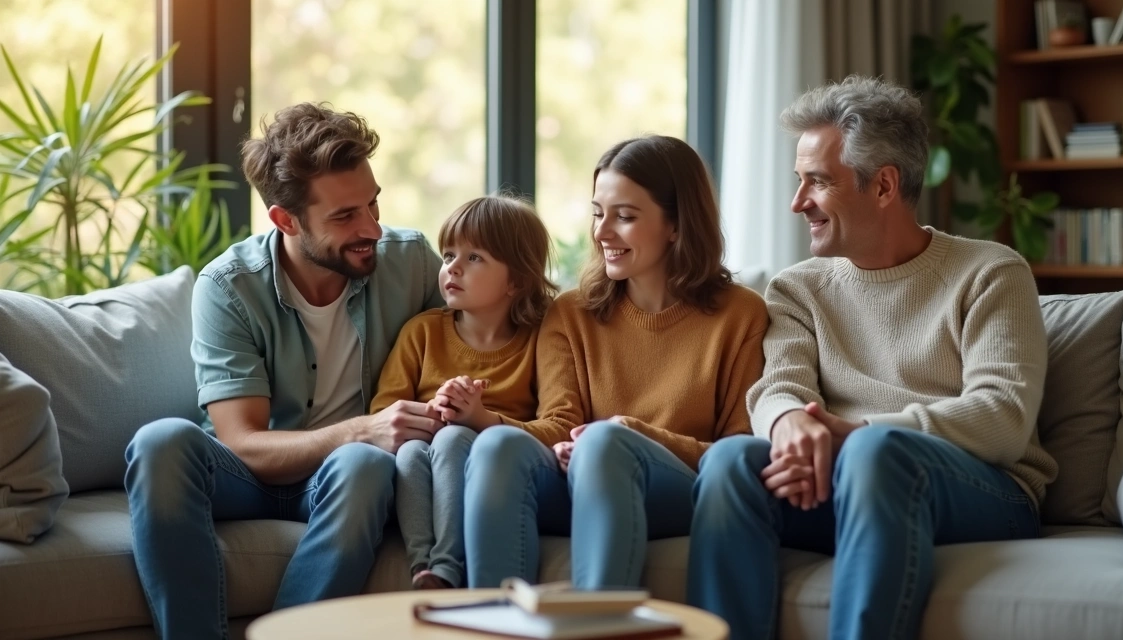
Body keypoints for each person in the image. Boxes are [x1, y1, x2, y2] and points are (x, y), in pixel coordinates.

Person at [686, 76, 1059, 640]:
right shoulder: (797, 289)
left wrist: (853, 432)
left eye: (817, 182)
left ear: (883, 186)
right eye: (798, 181)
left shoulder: (990, 273)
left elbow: (1003, 418)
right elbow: (777, 387)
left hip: (985, 491)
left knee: (877, 450)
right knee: (730, 462)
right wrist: (790, 424)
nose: (797, 203)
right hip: (843, 478)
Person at [124, 103, 447, 638]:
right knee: (160, 442)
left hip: (345, 479)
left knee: (365, 466)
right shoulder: (228, 286)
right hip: (247, 476)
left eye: (372, 203)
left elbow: (494, 334)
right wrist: (362, 429)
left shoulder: (410, 262)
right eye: (345, 216)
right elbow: (244, 443)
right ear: (285, 219)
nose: (371, 227)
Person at [451, 135, 769, 590]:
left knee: (604, 445)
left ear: (676, 224)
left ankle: (597, 623)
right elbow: (560, 423)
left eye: (625, 216)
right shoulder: (570, 312)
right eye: (598, 213)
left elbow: (738, 455)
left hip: (682, 489)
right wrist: (498, 424)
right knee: (496, 445)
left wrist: (628, 435)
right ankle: (495, 624)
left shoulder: (742, 314)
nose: (601, 233)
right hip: (583, 476)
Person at [369, 194, 557, 590]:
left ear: (518, 280)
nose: (452, 267)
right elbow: (384, 411)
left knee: (456, 438)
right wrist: (434, 411)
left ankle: (448, 564)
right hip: (426, 453)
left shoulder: (541, 338)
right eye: (449, 254)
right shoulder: (421, 331)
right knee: (411, 450)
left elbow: (556, 425)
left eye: (474, 258)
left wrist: (479, 419)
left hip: (502, 471)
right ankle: (425, 567)